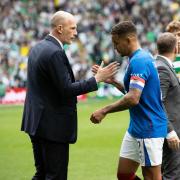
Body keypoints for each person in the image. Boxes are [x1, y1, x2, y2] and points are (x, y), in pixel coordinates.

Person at [21, 11, 119, 180]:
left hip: (36, 122)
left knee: (42, 174)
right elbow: (66, 89)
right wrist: (97, 79)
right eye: (72, 28)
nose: (75, 33)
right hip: (52, 126)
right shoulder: (54, 52)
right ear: (60, 28)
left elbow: (56, 85)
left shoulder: (38, 47)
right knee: (55, 176)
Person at [90, 21, 167, 180]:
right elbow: (135, 92)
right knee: (124, 175)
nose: (115, 48)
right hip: (136, 128)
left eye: (116, 43)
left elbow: (133, 98)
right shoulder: (137, 58)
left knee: (152, 177)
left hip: (148, 127)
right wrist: (113, 81)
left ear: (129, 40)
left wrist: (104, 110)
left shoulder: (140, 61)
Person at [156, 33, 180, 179]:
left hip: (171, 128)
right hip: (170, 131)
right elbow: (158, 102)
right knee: (173, 174)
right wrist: (170, 131)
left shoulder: (161, 65)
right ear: (176, 48)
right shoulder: (162, 68)